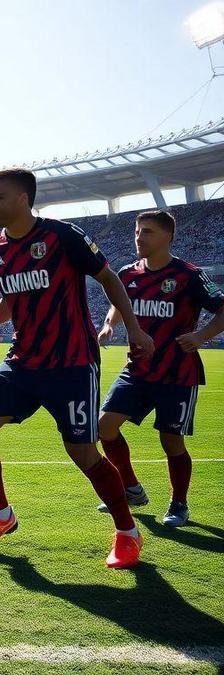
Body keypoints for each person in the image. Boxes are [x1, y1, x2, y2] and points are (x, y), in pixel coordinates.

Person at [0, 168, 155, 569]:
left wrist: (133, 328)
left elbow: (108, 278)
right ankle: (0, 517)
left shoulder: (62, 236)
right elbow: (11, 297)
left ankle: (127, 533)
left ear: (22, 200)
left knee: (82, 450)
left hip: (72, 362)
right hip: (23, 360)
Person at [96, 209, 224, 527]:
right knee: (104, 426)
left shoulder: (188, 275)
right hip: (137, 370)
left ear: (167, 236)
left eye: (148, 231)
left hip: (177, 373)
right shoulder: (127, 273)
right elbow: (117, 301)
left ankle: (179, 503)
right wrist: (109, 324)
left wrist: (201, 335)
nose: (140, 237)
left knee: (171, 441)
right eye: (138, 231)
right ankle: (131, 489)